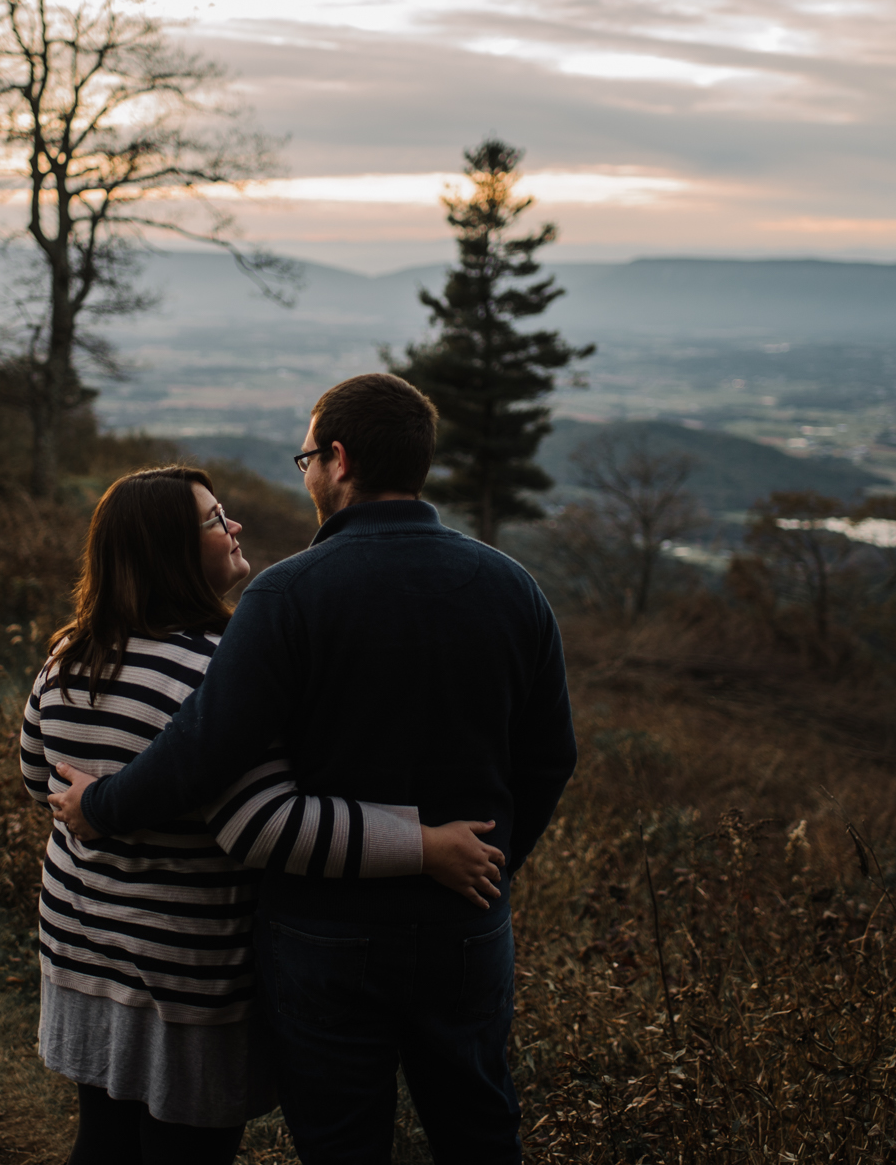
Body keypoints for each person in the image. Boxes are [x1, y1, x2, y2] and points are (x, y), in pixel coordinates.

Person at [52, 374, 579, 1164]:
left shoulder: (286, 595)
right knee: (478, 1132)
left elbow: (204, 755)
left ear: (337, 460)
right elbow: (550, 756)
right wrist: (495, 865)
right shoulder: (512, 588)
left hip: (321, 931)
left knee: (341, 1146)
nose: (304, 476)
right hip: (463, 926)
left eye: (306, 458)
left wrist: (104, 807)